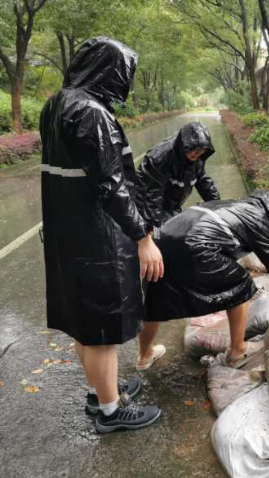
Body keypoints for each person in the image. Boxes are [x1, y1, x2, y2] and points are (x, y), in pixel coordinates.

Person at [40, 37, 163, 433]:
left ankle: (100, 391)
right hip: (97, 237)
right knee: (102, 331)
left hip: (67, 234)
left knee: (85, 323)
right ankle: (111, 411)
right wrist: (143, 237)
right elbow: (113, 186)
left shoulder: (56, 105)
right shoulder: (91, 113)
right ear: (108, 70)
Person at [139, 190, 269, 369]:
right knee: (240, 285)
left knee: (154, 299)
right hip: (196, 246)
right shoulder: (259, 219)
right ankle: (238, 351)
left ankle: (145, 355)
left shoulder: (234, 204)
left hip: (158, 243)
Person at [137, 121, 220, 226]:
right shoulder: (160, 157)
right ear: (185, 145)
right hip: (147, 203)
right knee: (163, 230)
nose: (197, 153)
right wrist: (152, 227)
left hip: (173, 204)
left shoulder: (198, 159)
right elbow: (151, 195)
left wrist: (217, 207)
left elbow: (203, 181)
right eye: (194, 149)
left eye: (202, 150)